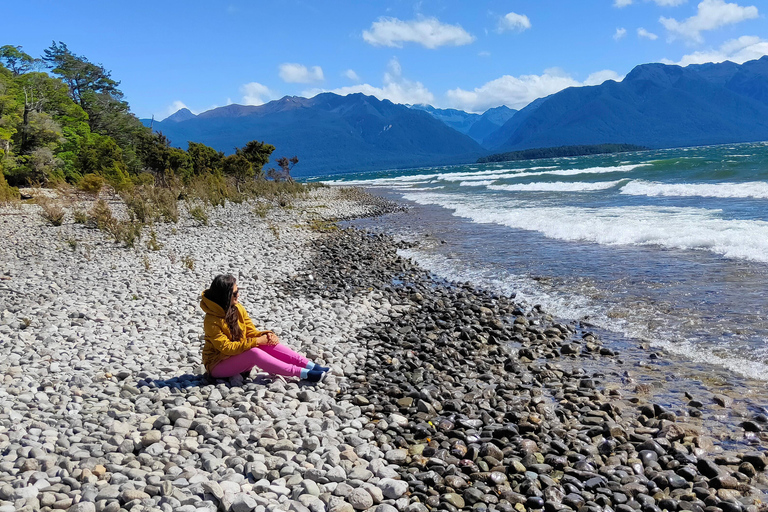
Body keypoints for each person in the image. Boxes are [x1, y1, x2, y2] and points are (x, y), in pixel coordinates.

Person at [200, 274, 329, 382]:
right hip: (218, 364)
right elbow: (226, 348)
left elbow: (251, 331)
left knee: (265, 342)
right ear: (225, 296)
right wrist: (257, 341)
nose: (238, 295)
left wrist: (267, 335)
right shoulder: (211, 321)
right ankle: (303, 373)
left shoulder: (237, 308)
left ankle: (312, 366)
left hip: (238, 355)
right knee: (254, 351)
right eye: (235, 293)